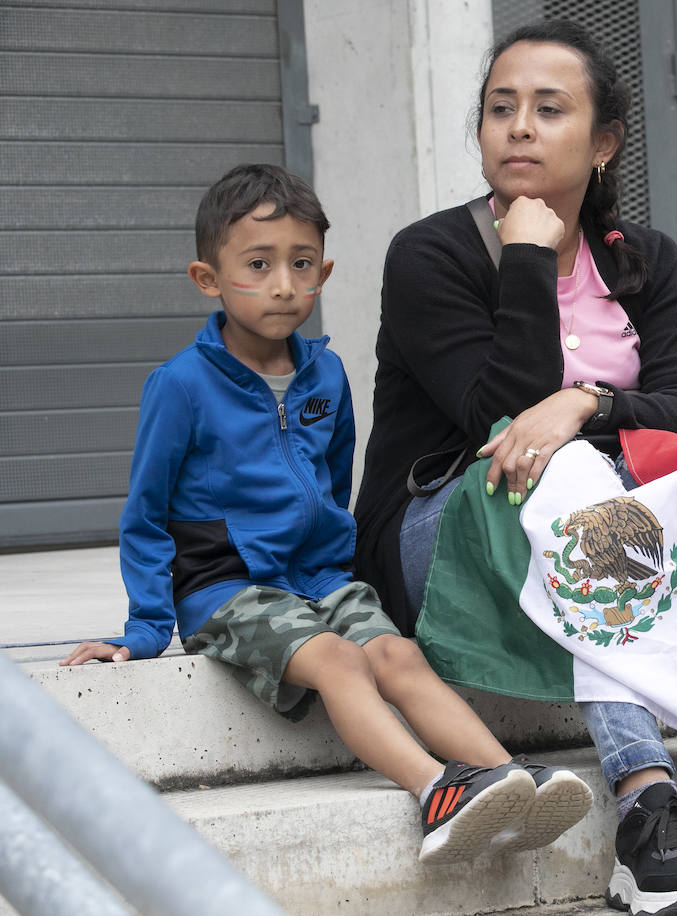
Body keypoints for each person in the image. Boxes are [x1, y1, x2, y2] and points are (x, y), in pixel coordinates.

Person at [353, 22, 677, 916]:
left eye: (548, 109)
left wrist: (591, 403)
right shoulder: (433, 254)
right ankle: (647, 798)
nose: (518, 127)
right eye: (500, 108)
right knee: (572, 480)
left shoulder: (642, 262)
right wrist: (526, 256)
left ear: (603, 145)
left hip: (593, 531)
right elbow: (499, 415)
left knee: (664, 480)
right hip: (443, 534)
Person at [60, 163, 590, 866]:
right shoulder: (180, 386)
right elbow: (147, 514)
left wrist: (336, 569)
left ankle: (508, 778)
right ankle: (437, 790)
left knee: (399, 652)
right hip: (226, 586)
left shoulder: (325, 375)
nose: (284, 283)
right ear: (207, 279)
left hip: (317, 579)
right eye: (258, 264)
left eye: (301, 264)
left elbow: (335, 481)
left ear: (324, 272)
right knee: (341, 660)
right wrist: (148, 628)